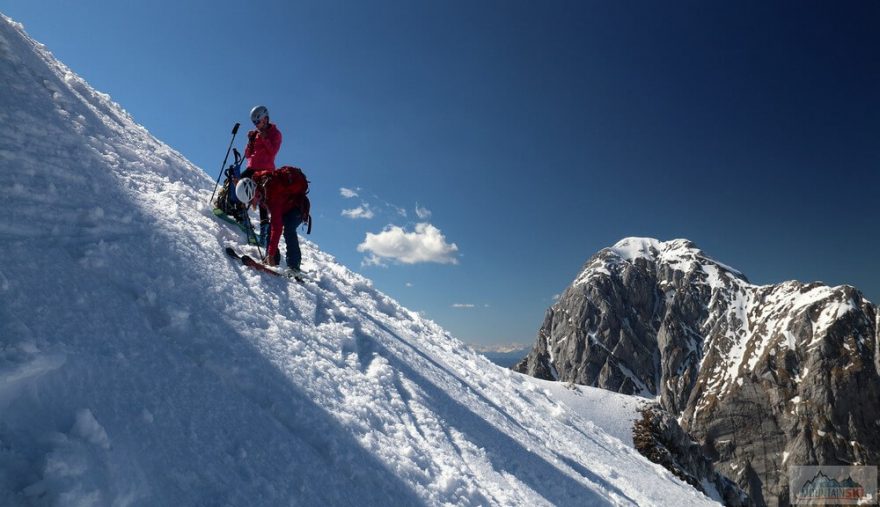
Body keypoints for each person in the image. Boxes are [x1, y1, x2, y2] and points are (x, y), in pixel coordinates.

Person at [236, 168, 309, 277]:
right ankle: (273, 262)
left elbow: (277, 227)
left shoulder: (273, 193)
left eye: (251, 201)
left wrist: (270, 253)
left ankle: (294, 268)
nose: (252, 204)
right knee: (269, 230)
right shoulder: (259, 185)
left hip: (297, 208)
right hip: (285, 206)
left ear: (254, 193)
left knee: (289, 229)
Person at [242, 105, 282, 246]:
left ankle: (265, 236)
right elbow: (247, 155)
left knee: (263, 202)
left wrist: (264, 138)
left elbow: (273, 152)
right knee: (239, 185)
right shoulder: (256, 134)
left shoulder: (276, 134)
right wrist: (250, 141)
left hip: (266, 171)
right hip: (252, 168)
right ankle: (241, 215)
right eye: (254, 123)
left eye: (257, 122)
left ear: (265, 119)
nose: (256, 125)